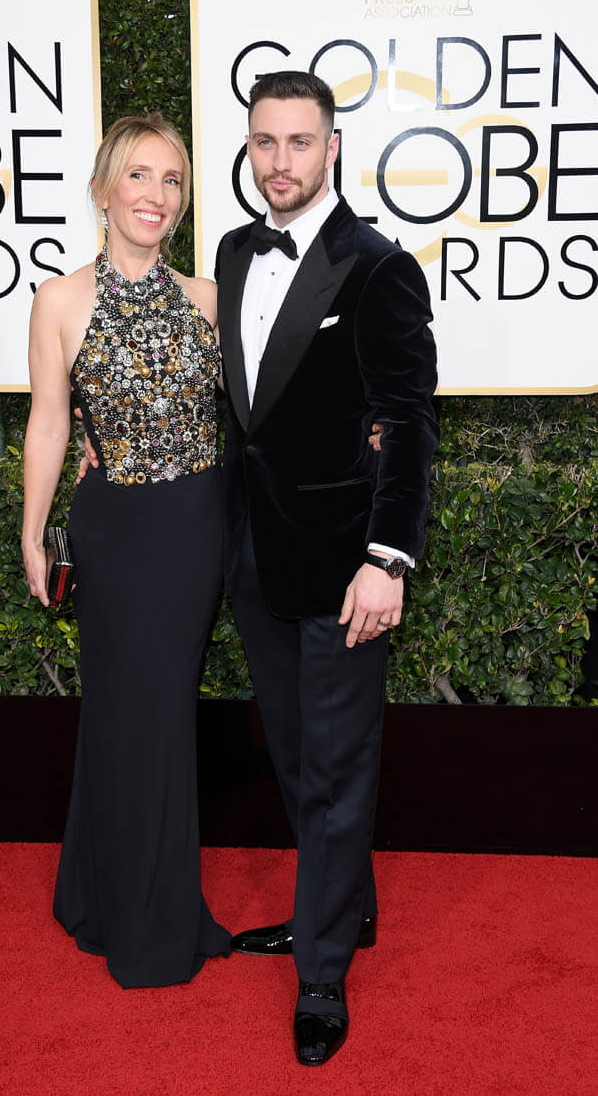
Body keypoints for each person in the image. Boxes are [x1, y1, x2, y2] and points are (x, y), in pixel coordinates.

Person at [213, 71, 439, 1065]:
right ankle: (344, 904)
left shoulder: (378, 268)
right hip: (256, 558)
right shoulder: (231, 251)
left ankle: (321, 973)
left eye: (298, 142)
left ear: (332, 147)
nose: (280, 161)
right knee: (300, 757)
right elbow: (243, 412)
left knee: (340, 766)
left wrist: (387, 557)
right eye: (264, 142)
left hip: (348, 565)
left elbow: (410, 422)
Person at [21, 113, 231, 988]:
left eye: (171, 179)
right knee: (121, 712)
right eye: (140, 175)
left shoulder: (207, 297)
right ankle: (125, 911)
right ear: (104, 188)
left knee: (158, 713)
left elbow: (256, 414)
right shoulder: (60, 300)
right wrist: (33, 532)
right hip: (111, 531)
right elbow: (50, 422)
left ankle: (122, 899)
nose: (156, 194)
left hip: (194, 528)